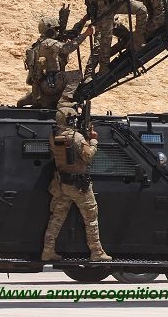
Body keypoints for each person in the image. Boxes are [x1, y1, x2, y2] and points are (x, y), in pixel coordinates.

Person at [42, 109, 112, 262]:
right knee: (91, 217)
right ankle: (97, 252)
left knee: (57, 217)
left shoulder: (54, 136)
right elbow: (88, 157)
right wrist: (93, 140)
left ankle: (47, 250)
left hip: (62, 183)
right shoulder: (77, 137)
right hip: (79, 185)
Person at [18, 17, 92, 110]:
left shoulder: (37, 44)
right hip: (50, 84)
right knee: (77, 74)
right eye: (55, 29)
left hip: (41, 85)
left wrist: (83, 20)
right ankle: (64, 102)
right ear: (49, 30)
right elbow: (67, 48)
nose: (57, 32)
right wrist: (85, 34)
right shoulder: (49, 43)